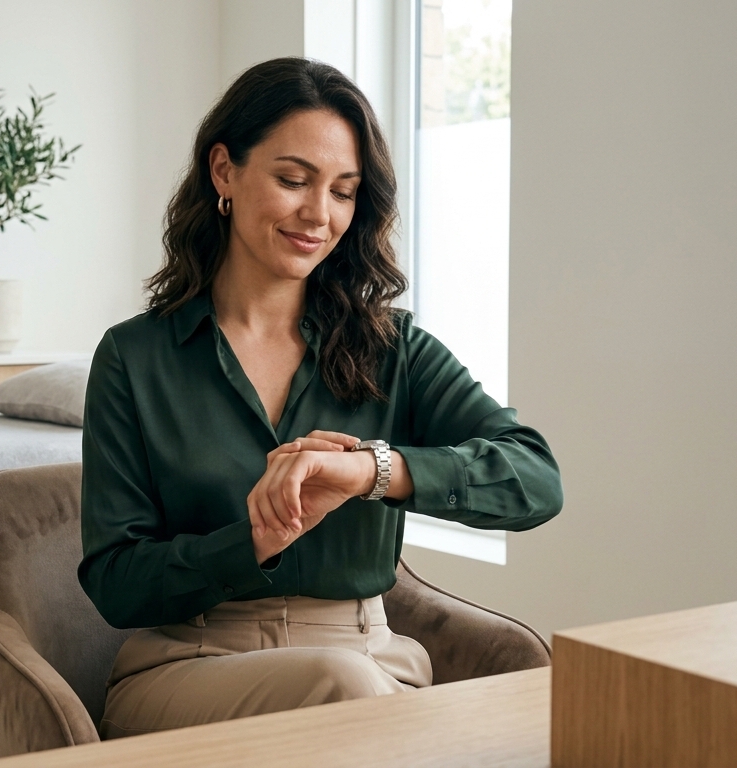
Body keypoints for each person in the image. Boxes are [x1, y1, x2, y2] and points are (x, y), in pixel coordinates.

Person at [78, 57, 563, 739]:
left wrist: (375, 471)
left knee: (356, 684)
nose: (320, 214)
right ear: (224, 172)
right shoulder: (134, 358)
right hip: (187, 667)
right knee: (351, 691)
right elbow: (116, 583)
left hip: (368, 656)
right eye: (292, 180)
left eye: (343, 190)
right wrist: (251, 541)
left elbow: (536, 479)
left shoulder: (393, 347)